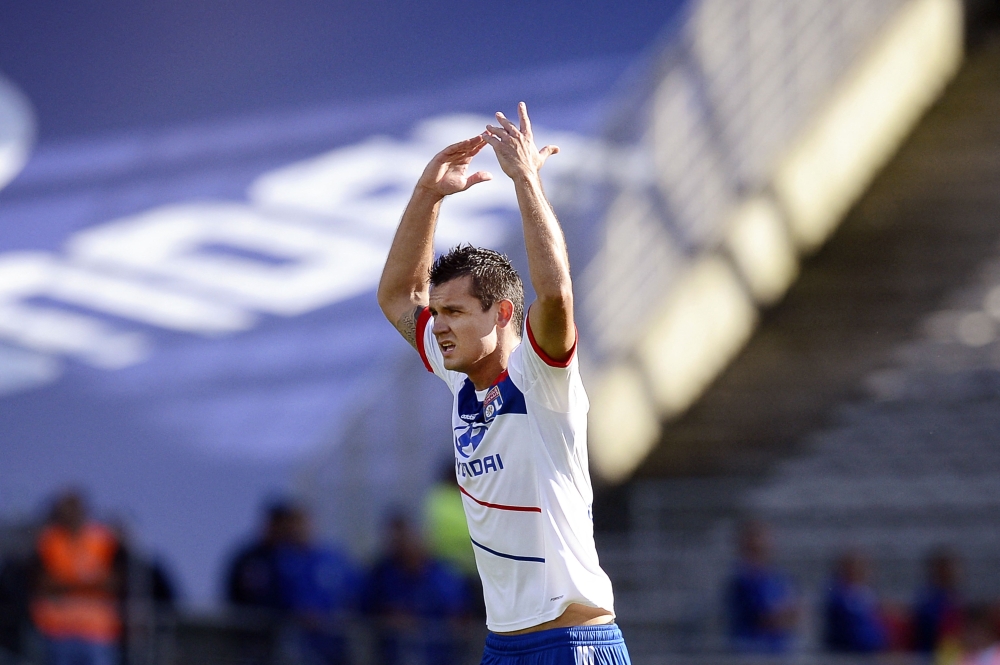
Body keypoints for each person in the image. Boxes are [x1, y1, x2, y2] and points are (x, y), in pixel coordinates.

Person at [377, 102, 630, 664]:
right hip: (502, 646)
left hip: (571, 642)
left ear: (503, 315)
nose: (439, 325)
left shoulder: (540, 378)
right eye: (438, 313)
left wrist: (525, 182)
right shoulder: (460, 379)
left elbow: (558, 295)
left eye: (456, 312)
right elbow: (398, 296)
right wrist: (428, 195)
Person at [30, 490, 125, 665]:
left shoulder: (103, 539)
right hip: (57, 629)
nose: (69, 513)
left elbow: (113, 582)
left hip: (97, 630)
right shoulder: (49, 540)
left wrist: (67, 582)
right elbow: (43, 583)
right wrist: (87, 582)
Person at [362, 513, 470, 665]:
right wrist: (388, 620)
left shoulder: (444, 576)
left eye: (406, 541)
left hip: (439, 655)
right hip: (395, 655)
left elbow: (459, 619)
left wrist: (427, 627)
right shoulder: (382, 575)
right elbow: (364, 611)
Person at [272, 506, 361, 665]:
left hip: (333, 641)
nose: (298, 529)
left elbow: (354, 592)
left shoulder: (333, 557)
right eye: (294, 525)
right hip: (298, 642)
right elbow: (280, 597)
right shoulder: (282, 560)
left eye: (302, 523)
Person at [725, 521, 799, 653]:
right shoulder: (741, 579)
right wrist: (783, 615)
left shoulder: (778, 577)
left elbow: (795, 615)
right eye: (757, 538)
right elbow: (763, 617)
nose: (763, 543)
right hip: (750, 651)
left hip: (778, 651)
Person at [224, 501, 293, 611]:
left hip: (284, 624)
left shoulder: (293, 560)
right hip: (250, 623)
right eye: (278, 525)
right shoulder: (249, 559)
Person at [822, 550, 888, 653]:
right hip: (847, 654)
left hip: (872, 652)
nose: (862, 570)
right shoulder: (837, 594)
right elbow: (851, 629)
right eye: (857, 566)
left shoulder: (867, 592)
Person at [912, 548, 964, 655]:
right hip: (931, 654)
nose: (952, 572)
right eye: (946, 568)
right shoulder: (927, 600)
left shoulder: (957, 596)